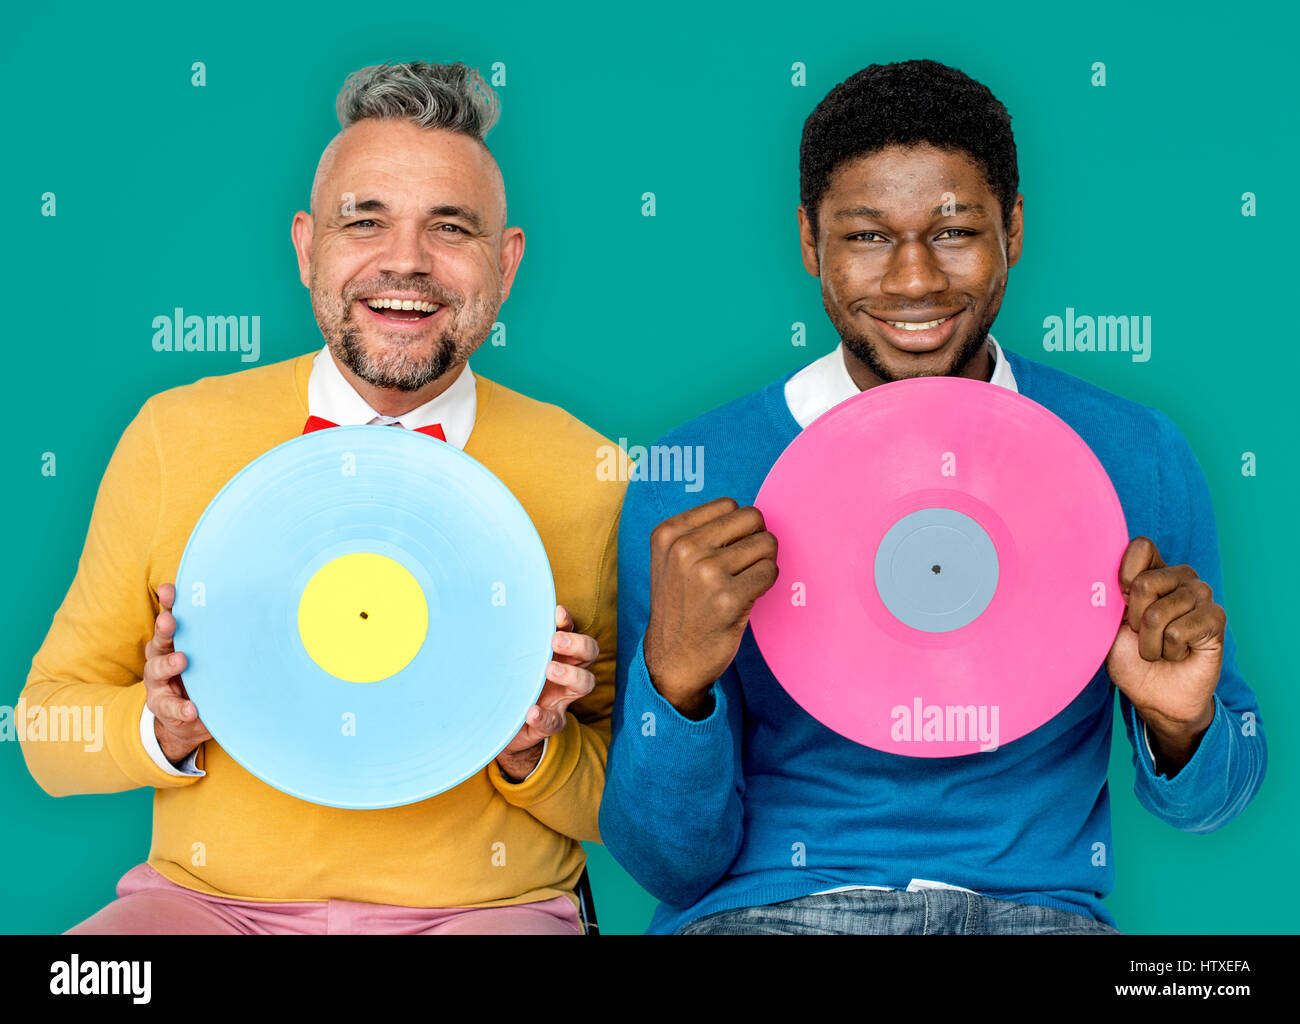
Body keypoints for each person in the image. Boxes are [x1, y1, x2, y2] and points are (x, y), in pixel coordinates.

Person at [598, 59, 1267, 935]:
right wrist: (675, 685)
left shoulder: (1136, 455)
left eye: (954, 231)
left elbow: (1215, 801)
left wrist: (1182, 721)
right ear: (809, 241)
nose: (915, 281)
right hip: (774, 912)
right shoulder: (696, 473)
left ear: (1014, 229)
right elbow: (665, 863)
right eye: (868, 236)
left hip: (1040, 914)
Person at [20, 60, 623, 935]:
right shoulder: (172, 434)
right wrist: (162, 726)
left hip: (484, 913)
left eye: (450, 228)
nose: (406, 262)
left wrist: (538, 751)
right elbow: (46, 733)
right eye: (364, 221)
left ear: (506, 261)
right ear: (307, 247)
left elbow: (636, 809)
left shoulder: (589, 472)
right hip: (203, 909)